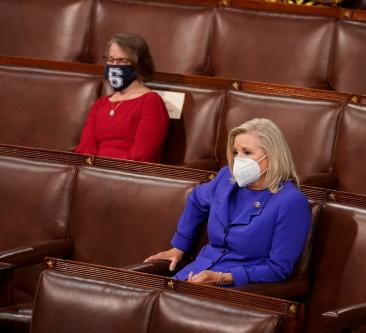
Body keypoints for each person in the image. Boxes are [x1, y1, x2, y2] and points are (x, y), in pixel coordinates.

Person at [145, 118, 311, 286]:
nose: (238, 159)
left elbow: (278, 269)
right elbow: (196, 199)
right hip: (195, 273)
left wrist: (221, 277)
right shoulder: (227, 178)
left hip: (240, 290)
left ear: (272, 156)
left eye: (246, 152)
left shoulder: (291, 202)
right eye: (235, 152)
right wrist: (178, 248)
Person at [75, 33, 168, 163]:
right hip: (93, 173)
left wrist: (108, 170)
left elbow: (142, 154)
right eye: (111, 60)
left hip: (126, 176)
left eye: (122, 61)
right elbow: (85, 149)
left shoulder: (150, 102)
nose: (114, 65)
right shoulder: (100, 104)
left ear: (138, 64)